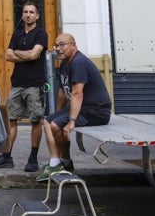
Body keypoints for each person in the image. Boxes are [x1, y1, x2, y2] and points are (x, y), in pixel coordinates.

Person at [36, 33, 112, 181]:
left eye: (62, 45)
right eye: (56, 45)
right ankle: (56, 162)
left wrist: (71, 121)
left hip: (96, 111)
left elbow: (77, 94)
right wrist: (58, 113)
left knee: (55, 126)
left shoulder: (79, 63)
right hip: (82, 108)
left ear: (73, 46)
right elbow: (63, 92)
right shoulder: (65, 62)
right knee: (47, 121)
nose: (58, 49)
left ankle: (65, 161)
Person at [0, 1, 49, 172]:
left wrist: (19, 54)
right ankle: (6, 156)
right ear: (22, 15)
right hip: (17, 83)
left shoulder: (41, 34)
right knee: (11, 120)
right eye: (25, 12)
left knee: (35, 121)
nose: (28, 14)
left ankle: (33, 158)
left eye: (31, 12)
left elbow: (34, 54)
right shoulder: (18, 34)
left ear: (37, 15)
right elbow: (8, 55)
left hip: (34, 84)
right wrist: (26, 55)